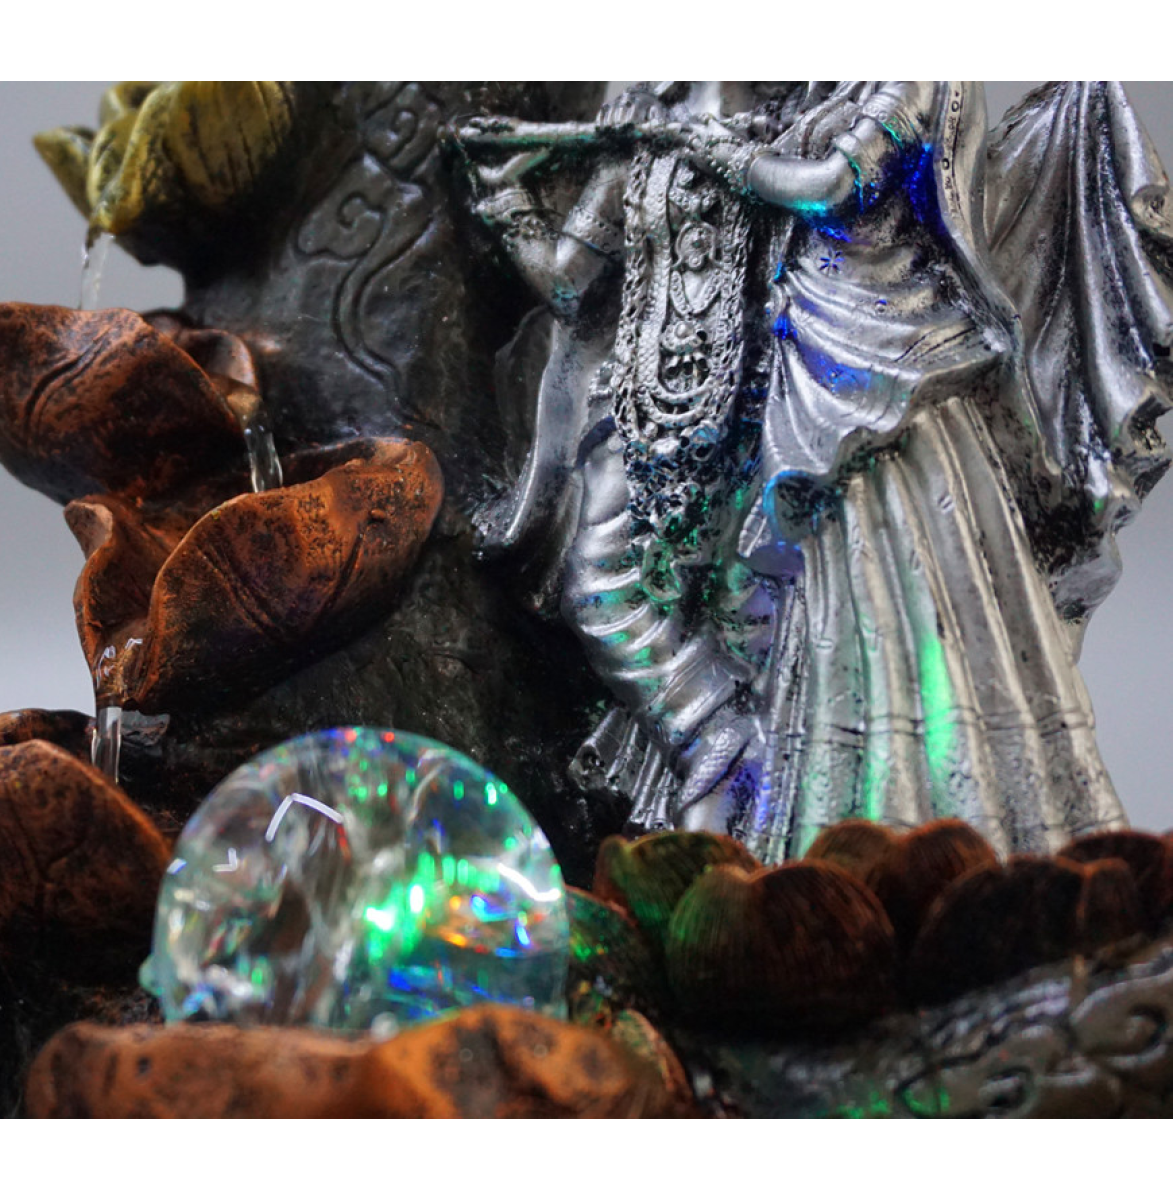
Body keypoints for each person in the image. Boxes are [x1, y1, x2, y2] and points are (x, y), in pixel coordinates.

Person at [464, 82, 1173, 862]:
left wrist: (731, 158)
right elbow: (571, 282)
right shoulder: (643, 127)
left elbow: (834, 187)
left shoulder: (829, 105)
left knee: (821, 593)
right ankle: (719, 736)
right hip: (647, 399)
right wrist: (506, 198)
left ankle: (820, 802)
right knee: (601, 586)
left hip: (803, 384)